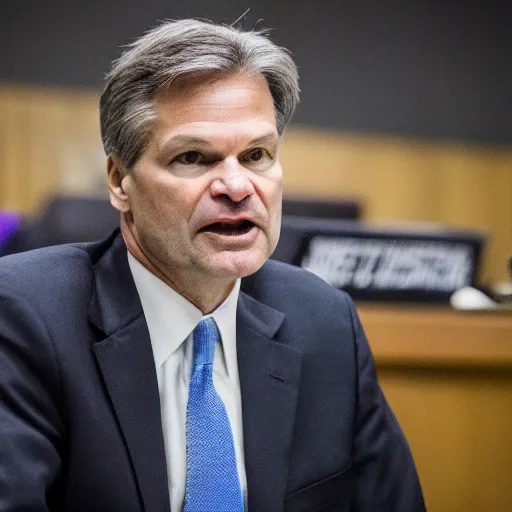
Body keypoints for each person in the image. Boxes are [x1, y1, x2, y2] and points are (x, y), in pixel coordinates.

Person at [0, 19, 425, 512]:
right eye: (194, 158)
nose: (237, 186)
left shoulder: (324, 324)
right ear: (119, 181)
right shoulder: (24, 317)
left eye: (256, 155)